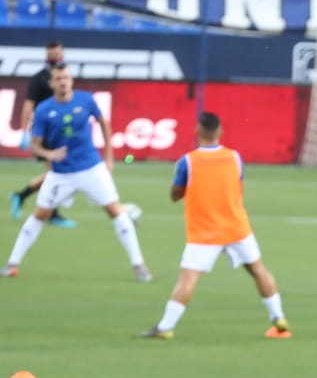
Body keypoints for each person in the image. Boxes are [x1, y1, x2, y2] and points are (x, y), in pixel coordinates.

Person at [139, 113, 288, 340]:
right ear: (220, 132)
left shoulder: (188, 161)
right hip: (237, 228)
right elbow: (240, 190)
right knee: (258, 270)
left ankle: (165, 327)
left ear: (197, 131)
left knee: (187, 279)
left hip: (204, 233)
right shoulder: (234, 157)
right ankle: (279, 318)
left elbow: (175, 194)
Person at [2, 62, 149, 282]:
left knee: (115, 211)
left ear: (71, 80)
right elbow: (35, 145)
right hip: (61, 174)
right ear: (52, 83)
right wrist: (48, 155)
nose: (63, 82)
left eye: (66, 78)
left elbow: (104, 123)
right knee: (40, 214)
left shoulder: (86, 100)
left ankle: (139, 266)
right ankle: (12, 264)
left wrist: (109, 157)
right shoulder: (43, 110)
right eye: (58, 79)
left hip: (92, 168)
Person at [9, 41, 75, 228]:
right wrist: (24, 132)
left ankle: (21, 195)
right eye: (52, 55)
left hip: (62, 130)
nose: (55, 58)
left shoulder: (65, 75)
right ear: (47, 55)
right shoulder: (39, 78)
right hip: (46, 131)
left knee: (56, 173)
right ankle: (50, 212)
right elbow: (28, 105)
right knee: (56, 173)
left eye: (58, 54)